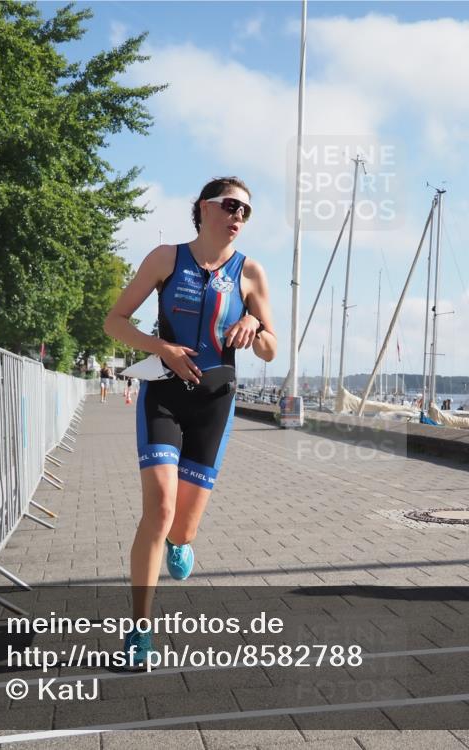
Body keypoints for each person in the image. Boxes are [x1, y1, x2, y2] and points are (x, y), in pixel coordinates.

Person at [103, 176, 276, 666]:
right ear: (203, 207)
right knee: (158, 508)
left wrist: (254, 325)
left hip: (214, 403)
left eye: (245, 210)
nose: (237, 215)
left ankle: (181, 542)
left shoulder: (251, 273)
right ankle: (139, 631)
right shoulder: (165, 258)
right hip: (163, 393)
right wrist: (161, 347)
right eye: (229, 205)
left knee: (182, 526)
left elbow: (271, 346)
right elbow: (114, 321)